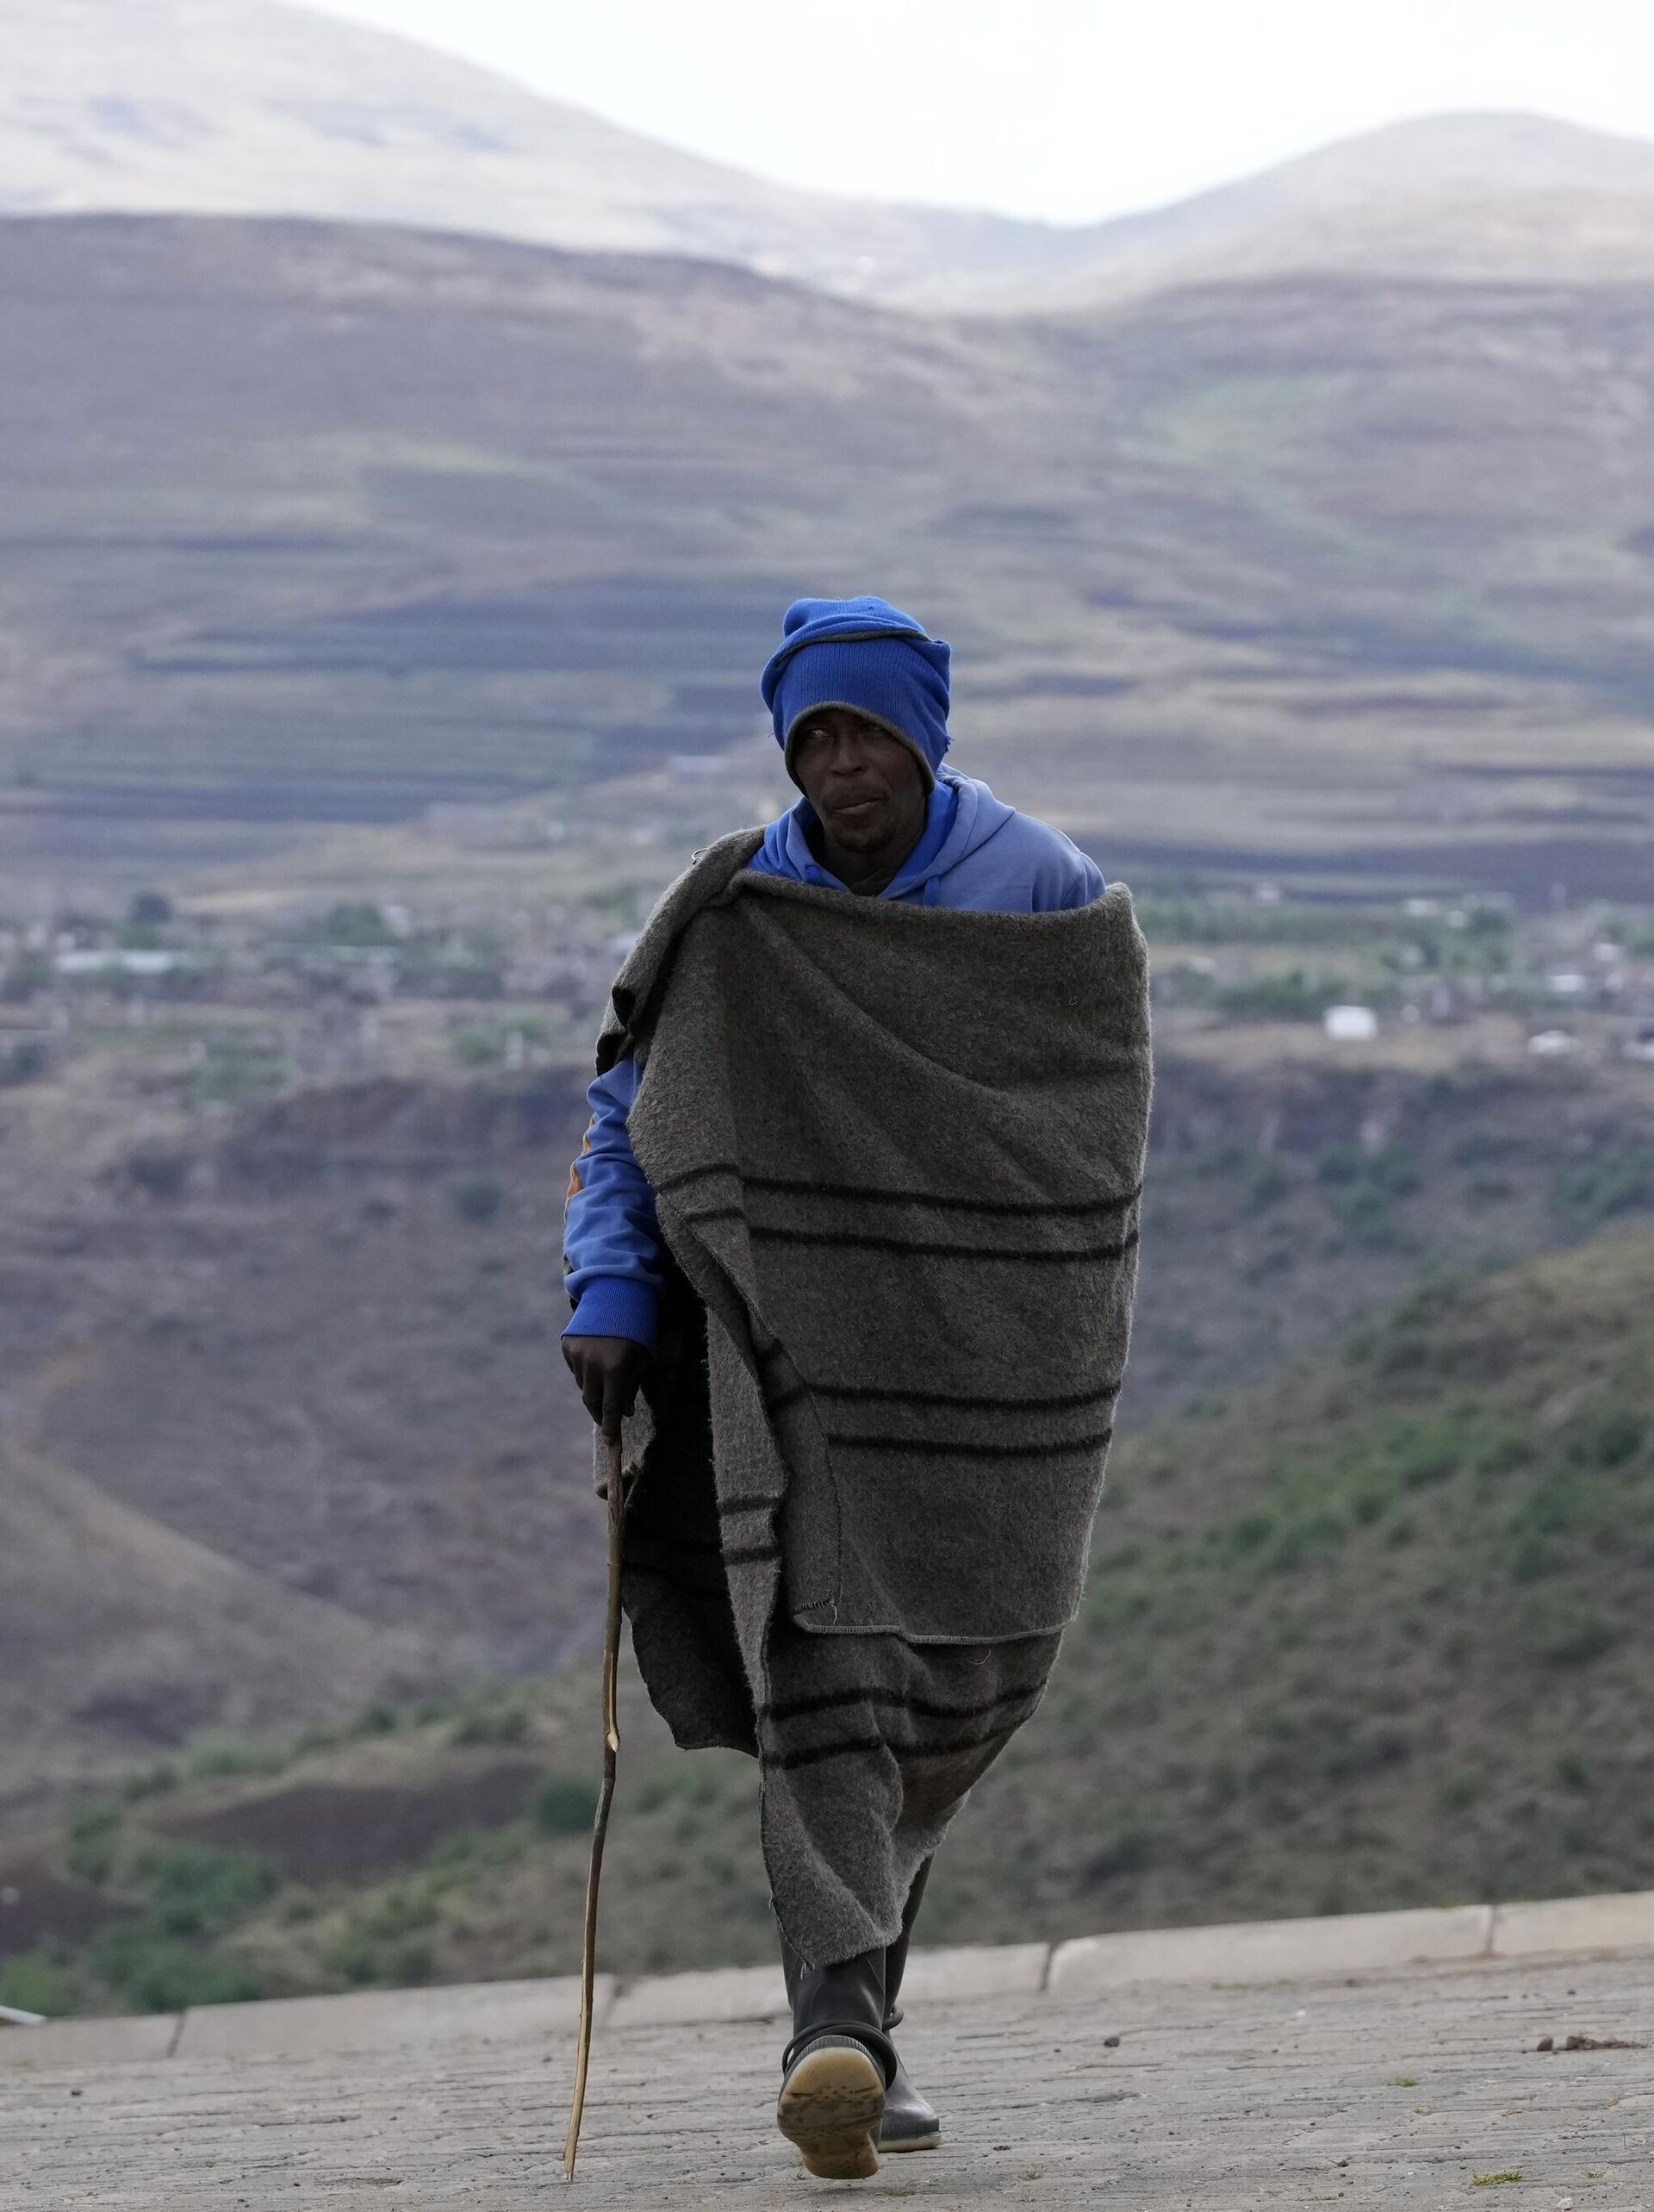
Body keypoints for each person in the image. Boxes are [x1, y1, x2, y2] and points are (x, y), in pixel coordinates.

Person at [562, 595, 1151, 2181]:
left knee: (950, 1691)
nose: (838, 766)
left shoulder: (1043, 889)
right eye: (811, 737)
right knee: (826, 1675)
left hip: (988, 1373)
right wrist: (611, 1291)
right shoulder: (744, 911)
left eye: (864, 732)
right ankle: (837, 2033)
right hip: (784, 1359)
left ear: (922, 738)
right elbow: (634, 1110)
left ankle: (860, 2031)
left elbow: (1088, 1126)